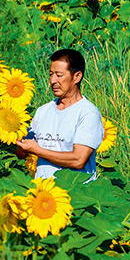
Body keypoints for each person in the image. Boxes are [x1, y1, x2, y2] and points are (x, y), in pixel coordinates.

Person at [15, 49, 104, 181]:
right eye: (51, 74)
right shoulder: (43, 111)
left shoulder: (87, 113)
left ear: (77, 77)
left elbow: (78, 160)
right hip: (44, 195)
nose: (52, 81)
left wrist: (37, 150)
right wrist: (9, 134)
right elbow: (23, 153)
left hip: (76, 195)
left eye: (59, 75)